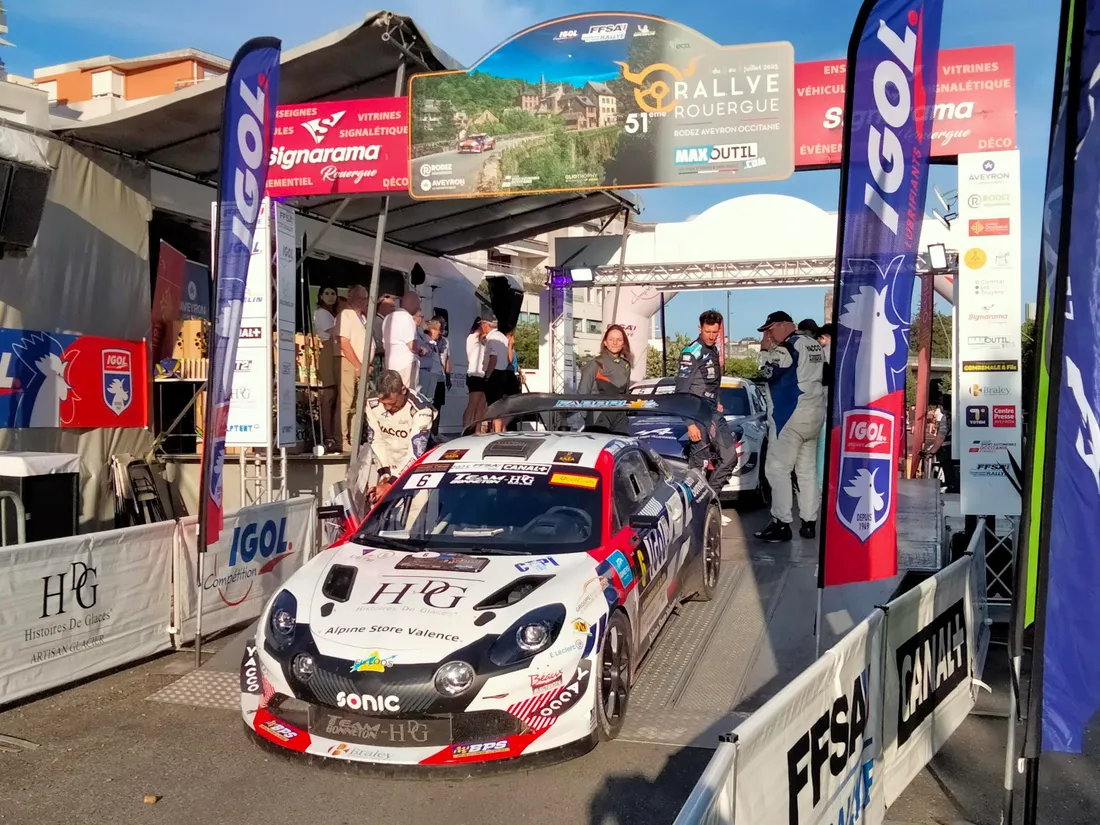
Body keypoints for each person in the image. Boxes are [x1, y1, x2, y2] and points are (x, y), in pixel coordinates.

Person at [754, 311, 826, 543]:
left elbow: (767, 372)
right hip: (814, 415)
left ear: (786, 325)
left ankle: (781, 523)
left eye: (771, 329)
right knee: (806, 471)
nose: (769, 334)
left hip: (789, 417)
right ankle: (809, 522)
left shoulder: (788, 347)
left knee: (777, 470)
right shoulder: (814, 344)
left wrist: (765, 350)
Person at [675, 310, 738, 490]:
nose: (711, 336)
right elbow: (681, 391)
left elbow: (713, 382)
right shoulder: (691, 352)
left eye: (715, 332)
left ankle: (710, 498)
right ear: (699, 328)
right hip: (696, 415)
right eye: (707, 332)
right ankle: (699, 507)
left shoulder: (713, 349)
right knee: (699, 468)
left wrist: (717, 399)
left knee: (730, 457)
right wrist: (689, 424)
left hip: (712, 413)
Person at [364, 370, 436, 504]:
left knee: (416, 515)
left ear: (403, 390)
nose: (387, 408)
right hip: (388, 467)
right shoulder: (371, 403)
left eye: (392, 403)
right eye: (383, 403)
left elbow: (415, 452)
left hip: (417, 470)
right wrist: (385, 474)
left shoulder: (422, 409)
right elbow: (376, 440)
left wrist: (392, 482)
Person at [578, 325, 632, 432]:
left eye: (619, 340)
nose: (615, 343)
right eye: (611, 339)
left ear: (623, 343)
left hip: (620, 416)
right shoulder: (595, 363)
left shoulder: (626, 365)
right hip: (598, 416)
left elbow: (626, 394)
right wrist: (586, 418)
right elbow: (582, 392)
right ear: (605, 342)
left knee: (621, 446)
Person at [335, 284, 369, 452]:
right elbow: (344, 342)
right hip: (349, 363)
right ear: (352, 298)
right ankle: (342, 439)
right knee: (346, 402)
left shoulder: (362, 317)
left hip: (361, 365)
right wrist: (358, 365)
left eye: (366, 298)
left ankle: (354, 439)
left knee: (358, 403)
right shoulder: (346, 315)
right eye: (362, 298)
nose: (365, 302)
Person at [313, 287, 340, 451]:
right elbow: (334, 332)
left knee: (335, 395)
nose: (331, 297)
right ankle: (327, 435)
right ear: (321, 296)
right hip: (329, 350)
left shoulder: (332, 314)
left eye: (333, 293)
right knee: (329, 395)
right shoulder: (322, 313)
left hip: (335, 351)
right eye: (327, 293)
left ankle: (333, 434)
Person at [382, 291, 424, 392]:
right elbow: (412, 346)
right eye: (418, 303)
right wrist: (421, 350)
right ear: (412, 303)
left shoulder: (388, 317)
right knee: (409, 394)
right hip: (406, 365)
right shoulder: (407, 318)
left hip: (390, 365)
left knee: (394, 393)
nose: (418, 307)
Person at [481, 311, 513, 433]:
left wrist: (488, 376)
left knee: (493, 405)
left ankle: (496, 431)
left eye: (482, 324)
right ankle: (499, 430)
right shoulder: (502, 337)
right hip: (503, 373)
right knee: (499, 404)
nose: (481, 327)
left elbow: (493, 359)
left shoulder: (493, 339)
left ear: (486, 324)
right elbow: (507, 359)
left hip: (494, 373)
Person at [814, 323, 835, 491]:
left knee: (821, 447)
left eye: (821, 338)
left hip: (823, 404)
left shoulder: (825, 352)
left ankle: (820, 485)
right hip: (835, 407)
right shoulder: (843, 353)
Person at [463, 316, 488, 433]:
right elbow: (480, 335)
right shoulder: (472, 337)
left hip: (483, 375)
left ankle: (477, 431)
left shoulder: (483, 342)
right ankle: (466, 429)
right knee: (472, 404)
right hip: (475, 374)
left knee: (481, 407)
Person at [418, 316, 447, 411]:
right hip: (426, 377)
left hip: (435, 378)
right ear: (430, 329)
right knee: (424, 402)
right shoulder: (425, 341)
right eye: (436, 330)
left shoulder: (434, 343)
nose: (439, 332)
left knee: (432, 405)